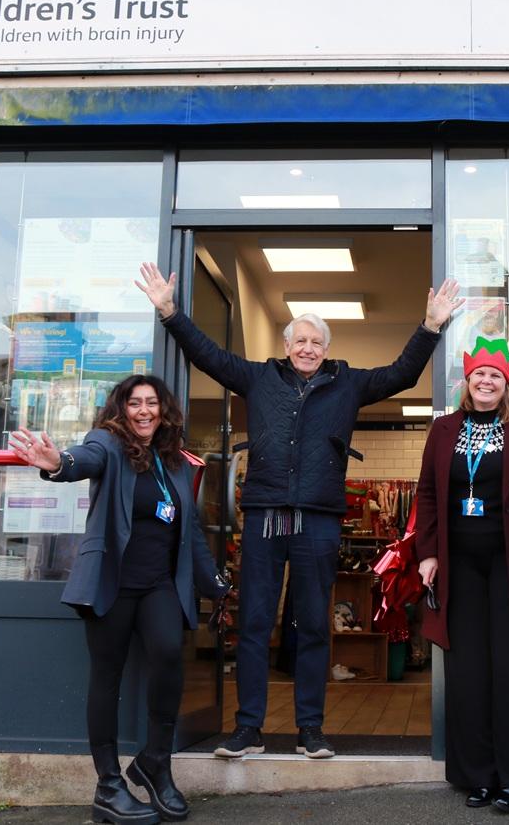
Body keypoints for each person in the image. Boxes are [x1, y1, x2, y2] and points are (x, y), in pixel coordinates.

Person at [135, 262, 462, 760]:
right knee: (254, 623)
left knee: (312, 624)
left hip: (319, 519)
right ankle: (248, 730)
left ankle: (311, 728)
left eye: (316, 342)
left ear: (326, 349)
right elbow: (207, 356)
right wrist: (170, 313)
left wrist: (431, 326)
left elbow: (402, 374)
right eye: (300, 341)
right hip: (266, 513)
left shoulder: (348, 384)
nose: (308, 348)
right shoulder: (258, 377)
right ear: (287, 346)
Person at [9, 374, 229, 825]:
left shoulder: (178, 464)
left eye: (152, 403)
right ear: (122, 410)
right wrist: (57, 462)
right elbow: (81, 460)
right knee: (106, 678)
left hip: (158, 585)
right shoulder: (107, 443)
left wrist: (215, 586)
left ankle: (154, 763)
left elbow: (190, 536)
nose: (144, 411)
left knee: (169, 656)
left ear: (164, 411)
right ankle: (108, 785)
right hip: (112, 582)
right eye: (135, 403)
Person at [414, 337, 509, 814]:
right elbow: (429, 495)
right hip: (459, 566)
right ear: (468, 381)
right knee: (468, 673)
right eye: (479, 374)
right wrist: (427, 554)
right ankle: (476, 776)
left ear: (506, 384)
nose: (486, 381)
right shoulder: (443, 431)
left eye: (495, 375)